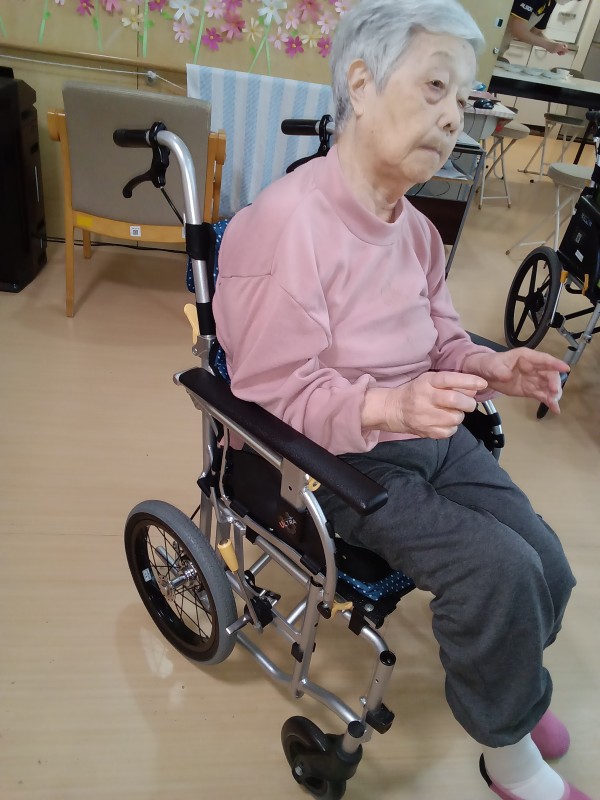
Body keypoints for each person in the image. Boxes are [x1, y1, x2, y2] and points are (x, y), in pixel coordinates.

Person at [213, 1, 590, 798]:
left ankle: (511, 691)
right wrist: (389, 408)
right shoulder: (285, 226)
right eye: (435, 88)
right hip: (337, 464)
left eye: (465, 98)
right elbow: (272, 395)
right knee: (497, 572)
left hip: (430, 437)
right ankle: (507, 750)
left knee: (548, 562)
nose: (454, 117)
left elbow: (440, 338)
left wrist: (491, 366)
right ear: (360, 84)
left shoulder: (415, 231)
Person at [499, 1, 573, 58]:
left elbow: (535, 32)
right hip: (494, 38)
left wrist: (556, 45)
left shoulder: (551, 2)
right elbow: (518, 30)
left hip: (501, 47)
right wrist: (549, 45)